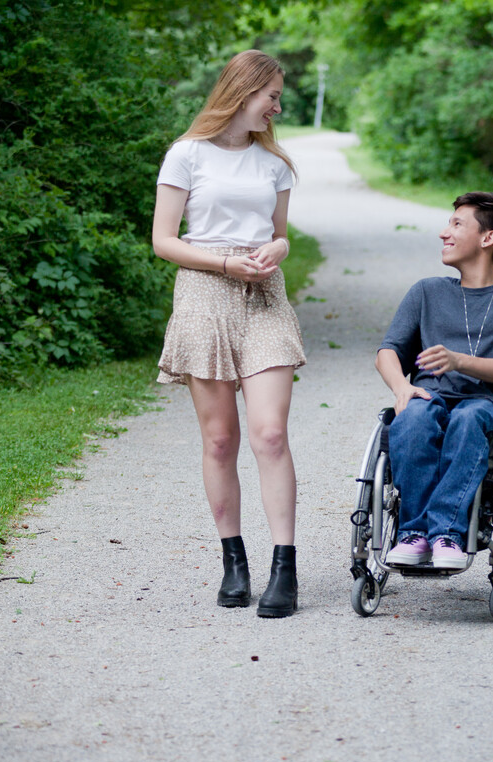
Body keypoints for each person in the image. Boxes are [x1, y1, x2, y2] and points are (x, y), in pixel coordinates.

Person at [152, 50, 304, 618]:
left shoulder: (276, 164)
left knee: (269, 434)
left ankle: (284, 568)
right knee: (220, 440)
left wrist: (275, 248)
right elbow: (164, 240)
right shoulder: (187, 155)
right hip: (204, 293)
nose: (278, 106)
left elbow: (282, 234)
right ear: (243, 92)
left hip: (264, 294)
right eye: (272, 96)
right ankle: (233, 562)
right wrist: (222, 265)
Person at [376, 192, 493, 568]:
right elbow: (388, 351)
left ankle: (447, 534)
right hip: (431, 394)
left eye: (457, 224)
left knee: (467, 418)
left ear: (488, 238)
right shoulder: (427, 291)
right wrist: (401, 387)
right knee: (415, 414)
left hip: (491, 403)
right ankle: (413, 533)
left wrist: (459, 361)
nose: (444, 232)